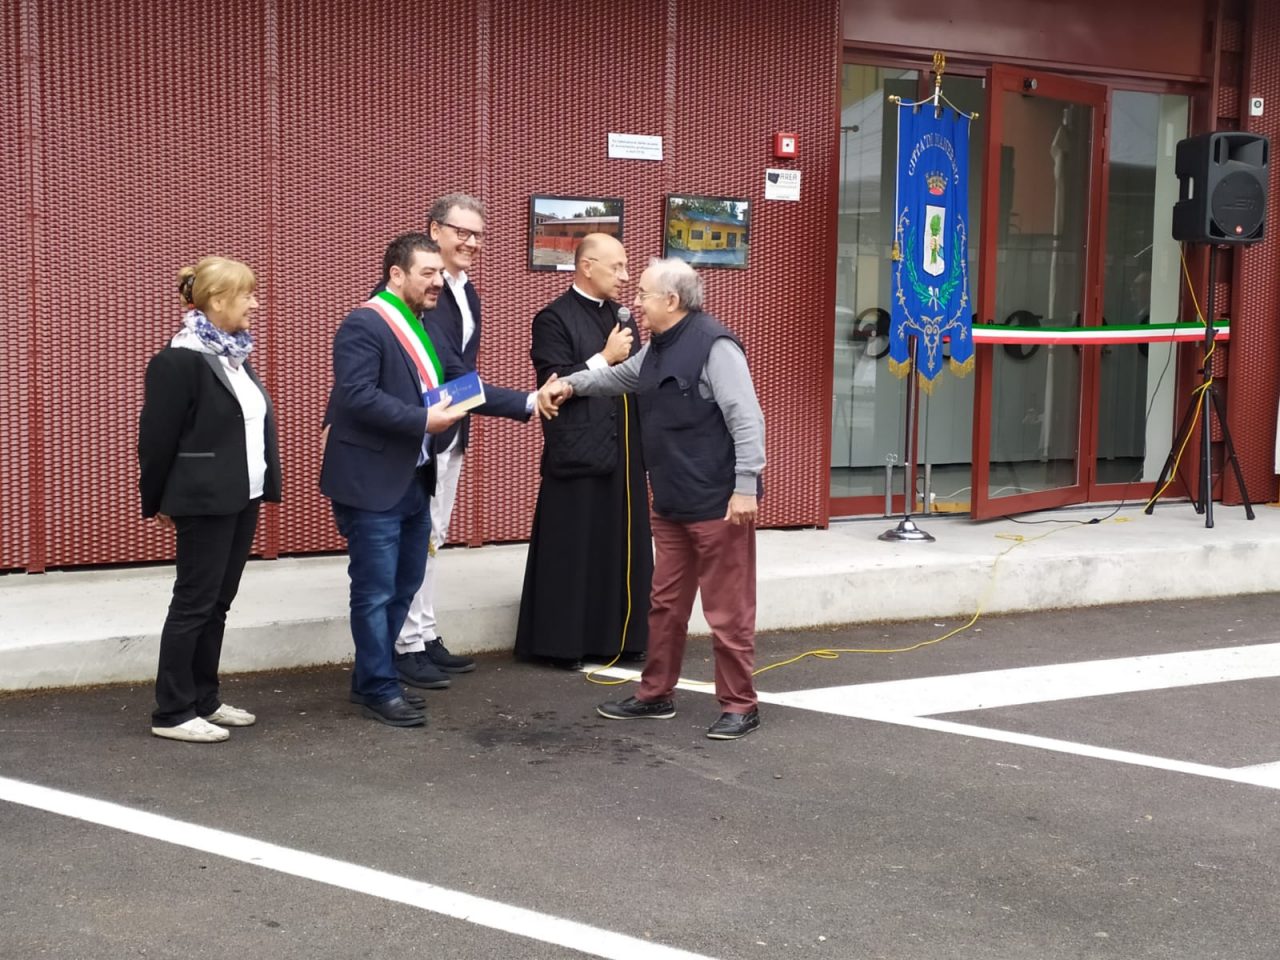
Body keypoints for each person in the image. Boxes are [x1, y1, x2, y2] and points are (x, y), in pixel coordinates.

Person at [537, 257, 766, 740]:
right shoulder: (659, 346)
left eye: (642, 294)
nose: (635, 302)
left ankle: (740, 705)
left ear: (672, 300)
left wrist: (746, 487)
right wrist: (569, 384)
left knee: (727, 612)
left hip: (719, 504)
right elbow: (619, 378)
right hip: (671, 500)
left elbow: (746, 418)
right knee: (664, 606)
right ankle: (655, 694)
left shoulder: (714, 345)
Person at [320, 233, 468, 728]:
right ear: (396, 274)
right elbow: (356, 395)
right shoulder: (365, 323)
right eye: (428, 273)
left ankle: (371, 679)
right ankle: (380, 687)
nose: (438, 282)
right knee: (374, 591)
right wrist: (422, 420)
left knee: (404, 585)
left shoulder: (423, 326)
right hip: (372, 483)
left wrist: (530, 402)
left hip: (414, 480)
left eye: (440, 273)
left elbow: (462, 386)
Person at [138, 257, 281, 743]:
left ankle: (204, 699)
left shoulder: (233, 356)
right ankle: (172, 711)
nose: (255, 304)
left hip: (243, 494)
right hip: (203, 499)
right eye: (247, 295)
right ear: (218, 301)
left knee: (218, 602)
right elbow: (156, 439)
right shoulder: (179, 359)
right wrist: (157, 499)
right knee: (194, 603)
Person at [394, 194, 533, 690]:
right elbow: (452, 373)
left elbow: (459, 370)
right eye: (462, 232)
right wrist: (527, 402)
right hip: (420, 435)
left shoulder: (466, 291)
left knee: (434, 537)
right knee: (417, 539)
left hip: (451, 433)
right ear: (435, 230)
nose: (472, 242)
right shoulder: (422, 292)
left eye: (478, 235)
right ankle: (406, 643)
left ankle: (424, 632)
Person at [515, 233, 652, 670]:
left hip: (624, 447)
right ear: (587, 266)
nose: (625, 277)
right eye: (617, 267)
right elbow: (553, 381)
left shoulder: (621, 317)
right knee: (573, 549)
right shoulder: (552, 318)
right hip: (577, 449)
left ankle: (622, 638)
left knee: (620, 545)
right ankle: (563, 644)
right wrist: (604, 357)